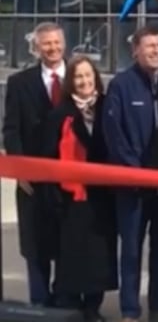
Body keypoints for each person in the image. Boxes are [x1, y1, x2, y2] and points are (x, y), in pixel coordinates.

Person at [103, 26, 158, 322]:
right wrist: (136, 172)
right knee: (132, 250)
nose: (156, 51)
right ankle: (130, 310)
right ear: (135, 50)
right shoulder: (121, 85)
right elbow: (115, 135)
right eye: (150, 46)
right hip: (133, 185)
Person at [42, 55, 117, 322]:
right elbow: (48, 155)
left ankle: (93, 307)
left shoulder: (108, 107)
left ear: (95, 77)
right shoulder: (60, 114)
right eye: (78, 76)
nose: (85, 81)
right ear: (71, 82)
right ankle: (72, 307)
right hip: (70, 198)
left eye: (88, 75)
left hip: (101, 196)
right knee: (72, 256)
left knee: (99, 255)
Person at [2, 21, 66, 306]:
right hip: (33, 178)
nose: (52, 48)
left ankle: (65, 302)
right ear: (36, 48)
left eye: (56, 42)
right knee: (35, 245)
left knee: (67, 243)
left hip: (69, 177)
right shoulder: (20, 83)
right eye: (46, 43)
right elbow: (11, 130)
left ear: (64, 44)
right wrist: (20, 171)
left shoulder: (80, 77)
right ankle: (39, 305)